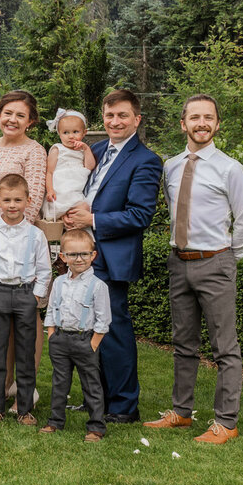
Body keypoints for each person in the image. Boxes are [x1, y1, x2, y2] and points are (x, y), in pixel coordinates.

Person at [144, 94, 243, 444]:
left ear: (217, 124)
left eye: (208, 117)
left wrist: (227, 258)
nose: (202, 123)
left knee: (225, 347)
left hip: (216, 262)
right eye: (195, 117)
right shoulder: (172, 166)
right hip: (179, 262)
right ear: (183, 124)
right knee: (183, 342)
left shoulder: (230, 168)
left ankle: (226, 421)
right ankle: (181, 412)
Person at [62, 89, 162, 423]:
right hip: (84, 253)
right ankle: (97, 399)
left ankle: (123, 406)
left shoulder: (145, 160)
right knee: (88, 329)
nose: (114, 121)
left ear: (137, 119)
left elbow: (139, 215)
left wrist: (92, 220)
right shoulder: (99, 149)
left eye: (122, 115)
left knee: (114, 331)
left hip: (112, 256)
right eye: (109, 115)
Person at [0, 89, 47, 411]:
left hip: (22, 242)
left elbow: (34, 198)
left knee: (26, 319)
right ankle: (0, 386)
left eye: (20, 115)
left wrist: (14, 235)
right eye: (7, 112)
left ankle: (25, 387)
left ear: (30, 121)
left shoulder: (35, 150)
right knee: (0, 319)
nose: (12, 119)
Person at [0, 173, 51, 426]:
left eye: (18, 200)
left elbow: (44, 269)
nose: (12, 205)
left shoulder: (35, 235)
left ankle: (25, 408)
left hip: (25, 295)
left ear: (28, 201)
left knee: (25, 353)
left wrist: (36, 297)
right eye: (7, 200)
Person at [41, 229, 110, 442]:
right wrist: (51, 334)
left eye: (84, 254)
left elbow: (103, 320)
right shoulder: (60, 282)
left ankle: (96, 426)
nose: (78, 259)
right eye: (72, 254)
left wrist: (92, 344)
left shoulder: (98, 286)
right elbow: (52, 309)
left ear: (93, 255)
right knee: (60, 382)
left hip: (85, 340)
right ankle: (55, 421)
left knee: (91, 384)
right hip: (60, 340)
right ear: (63, 257)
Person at [42, 108, 96, 220]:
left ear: (84, 133)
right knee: (59, 206)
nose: (71, 136)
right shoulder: (57, 149)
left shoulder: (83, 151)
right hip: (60, 189)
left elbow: (90, 166)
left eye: (75, 132)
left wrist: (86, 149)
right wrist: (50, 190)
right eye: (65, 132)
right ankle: (61, 216)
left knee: (83, 208)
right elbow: (50, 172)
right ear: (59, 134)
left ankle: (75, 228)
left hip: (75, 190)